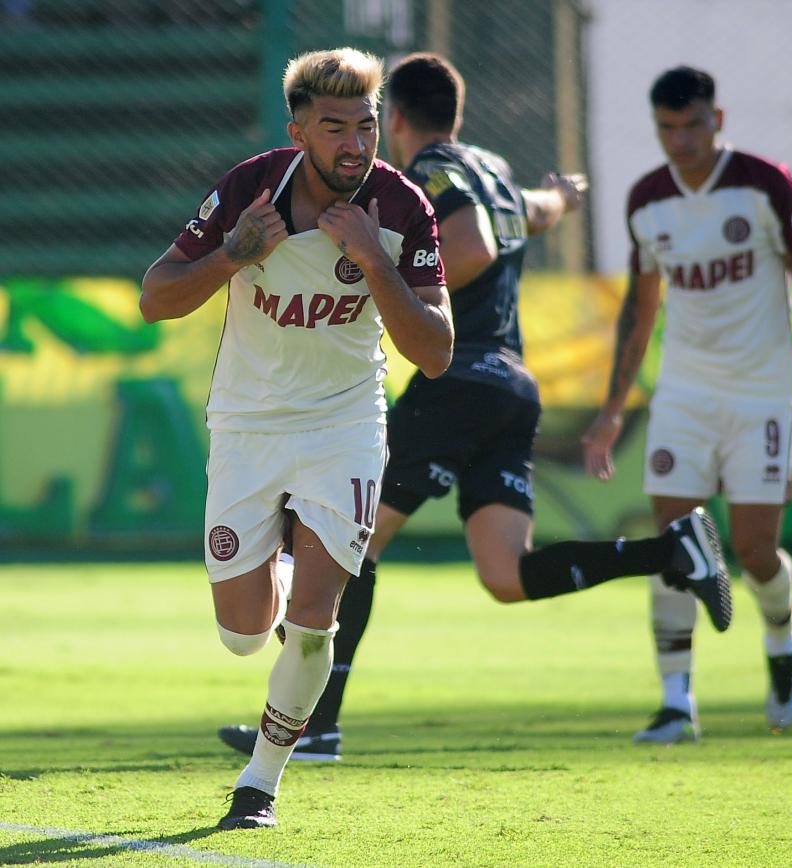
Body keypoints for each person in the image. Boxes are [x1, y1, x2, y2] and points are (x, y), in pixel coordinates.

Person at [215, 51, 732, 762]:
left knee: (348, 545)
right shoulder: (487, 169)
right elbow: (536, 212)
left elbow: (475, 245)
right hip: (511, 382)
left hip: (457, 378)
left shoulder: (425, 180)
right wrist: (562, 197)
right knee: (505, 575)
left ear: (392, 120)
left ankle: (318, 727)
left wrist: (370, 271)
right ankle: (670, 549)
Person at [141, 47, 454, 829]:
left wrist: (374, 259)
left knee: (315, 622)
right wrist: (233, 253)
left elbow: (437, 351)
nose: (357, 144)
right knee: (245, 636)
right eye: (335, 127)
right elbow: (155, 299)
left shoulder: (401, 205)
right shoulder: (251, 188)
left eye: (368, 125)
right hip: (247, 425)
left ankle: (260, 783)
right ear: (299, 131)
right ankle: (282, 557)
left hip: (345, 425)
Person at [581, 66, 792, 743]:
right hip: (684, 394)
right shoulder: (647, 200)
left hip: (763, 393)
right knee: (674, 546)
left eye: (693, 126)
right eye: (667, 129)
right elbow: (640, 309)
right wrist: (613, 408)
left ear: (719, 119)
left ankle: (781, 640)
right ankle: (677, 703)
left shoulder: (765, 185)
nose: (680, 142)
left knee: (754, 550)